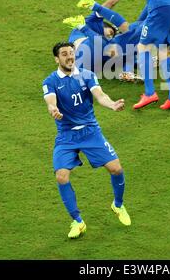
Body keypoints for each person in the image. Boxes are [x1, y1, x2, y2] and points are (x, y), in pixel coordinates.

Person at [42, 42, 131, 239]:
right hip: (66, 136)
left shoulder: (87, 75)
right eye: (64, 54)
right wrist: (53, 110)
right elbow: (50, 101)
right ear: (57, 59)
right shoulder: (50, 81)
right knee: (61, 176)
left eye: (71, 53)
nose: (69, 57)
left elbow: (100, 96)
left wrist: (112, 105)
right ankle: (78, 221)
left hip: (91, 132)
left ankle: (117, 205)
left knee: (117, 169)